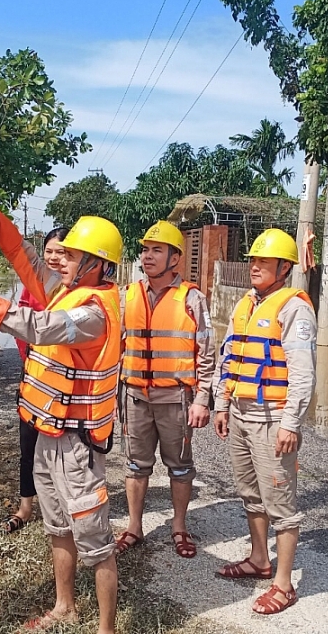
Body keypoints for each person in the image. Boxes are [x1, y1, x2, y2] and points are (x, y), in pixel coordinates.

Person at [0, 197, 122, 634]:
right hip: (48, 435)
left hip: (78, 445)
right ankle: (65, 607)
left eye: (72, 255)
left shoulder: (92, 313)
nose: (62, 260)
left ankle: (107, 629)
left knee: (95, 540)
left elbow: (36, 327)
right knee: (56, 525)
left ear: (97, 264)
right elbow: (26, 259)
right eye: (65, 253)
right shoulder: (69, 291)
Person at [212, 228, 317, 615]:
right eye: (252, 260)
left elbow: (303, 374)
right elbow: (229, 358)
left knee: (281, 504)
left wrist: (291, 423)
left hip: (273, 419)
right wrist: (221, 403)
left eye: (264, 262)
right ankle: (259, 559)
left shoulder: (295, 309)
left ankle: (284, 585)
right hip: (240, 413)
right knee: (250, 494)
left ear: (284, 267)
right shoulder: (246, 304)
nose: (255, 267)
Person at [115, 221, 215, 559]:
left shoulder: (192, 298)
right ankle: (133, 527)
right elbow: (113, 348)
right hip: (134, 395)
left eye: (157, 250)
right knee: (135, 465)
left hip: (176, 398)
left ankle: (179, 527)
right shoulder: (127, 296)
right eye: (145, 249)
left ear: (175, 258)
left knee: (181, 466)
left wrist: (202, 399)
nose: (148, 256)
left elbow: (206, 351)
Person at [4, 226, 69, 534]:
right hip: (32, 372)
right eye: (50, 252)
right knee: (27, 442)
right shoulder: (31, 287)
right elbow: (22, 329)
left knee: (65, 445)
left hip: (62, 379)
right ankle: (26, 506)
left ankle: (65, 504)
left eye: (61, 252)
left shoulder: (71, 292)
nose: (54, 258)